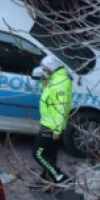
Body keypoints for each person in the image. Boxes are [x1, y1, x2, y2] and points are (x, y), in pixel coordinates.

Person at [33, 54, 72, 187]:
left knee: (38, 154)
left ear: (52, 68)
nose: (43, 71)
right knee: (49, 155)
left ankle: (59, 176)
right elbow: (48, 97)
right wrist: (43, 84)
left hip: (51, 126)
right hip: (47, 123)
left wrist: (57, 130)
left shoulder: (61, 83)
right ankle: (45, 179)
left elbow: (61, 109)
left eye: (45, 68)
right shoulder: (54, 79)